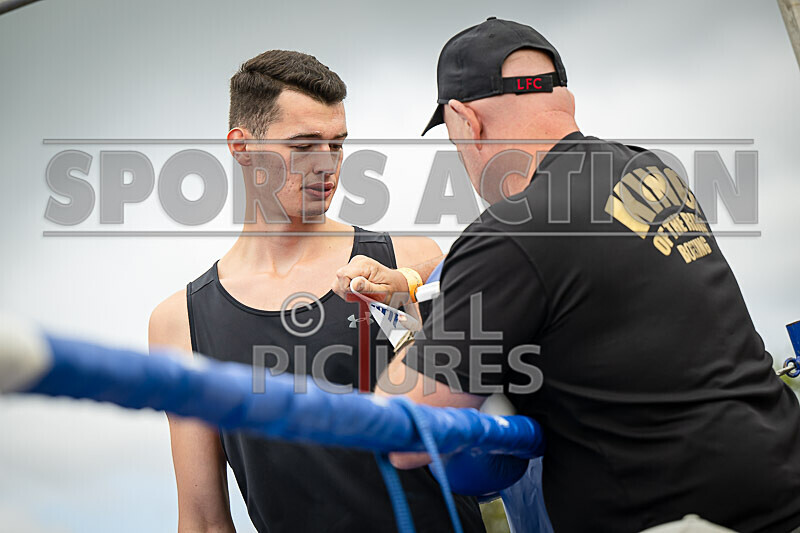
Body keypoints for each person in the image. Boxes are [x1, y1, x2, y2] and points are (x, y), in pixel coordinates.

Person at [333, 18, 800, 533]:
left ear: (466, 121)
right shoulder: (650, 172)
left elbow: (404, 431)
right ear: (560, 96)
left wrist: (402, 323)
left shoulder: (511, 230)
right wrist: (416, 287)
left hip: (679, 516)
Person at [149, 50, 486, 533]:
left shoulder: (408, 260)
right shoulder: (179, 322)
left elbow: (478, 423)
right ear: (242, 147)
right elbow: (202, 518)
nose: (326, 164)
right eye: (303, 145)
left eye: (337, 144)